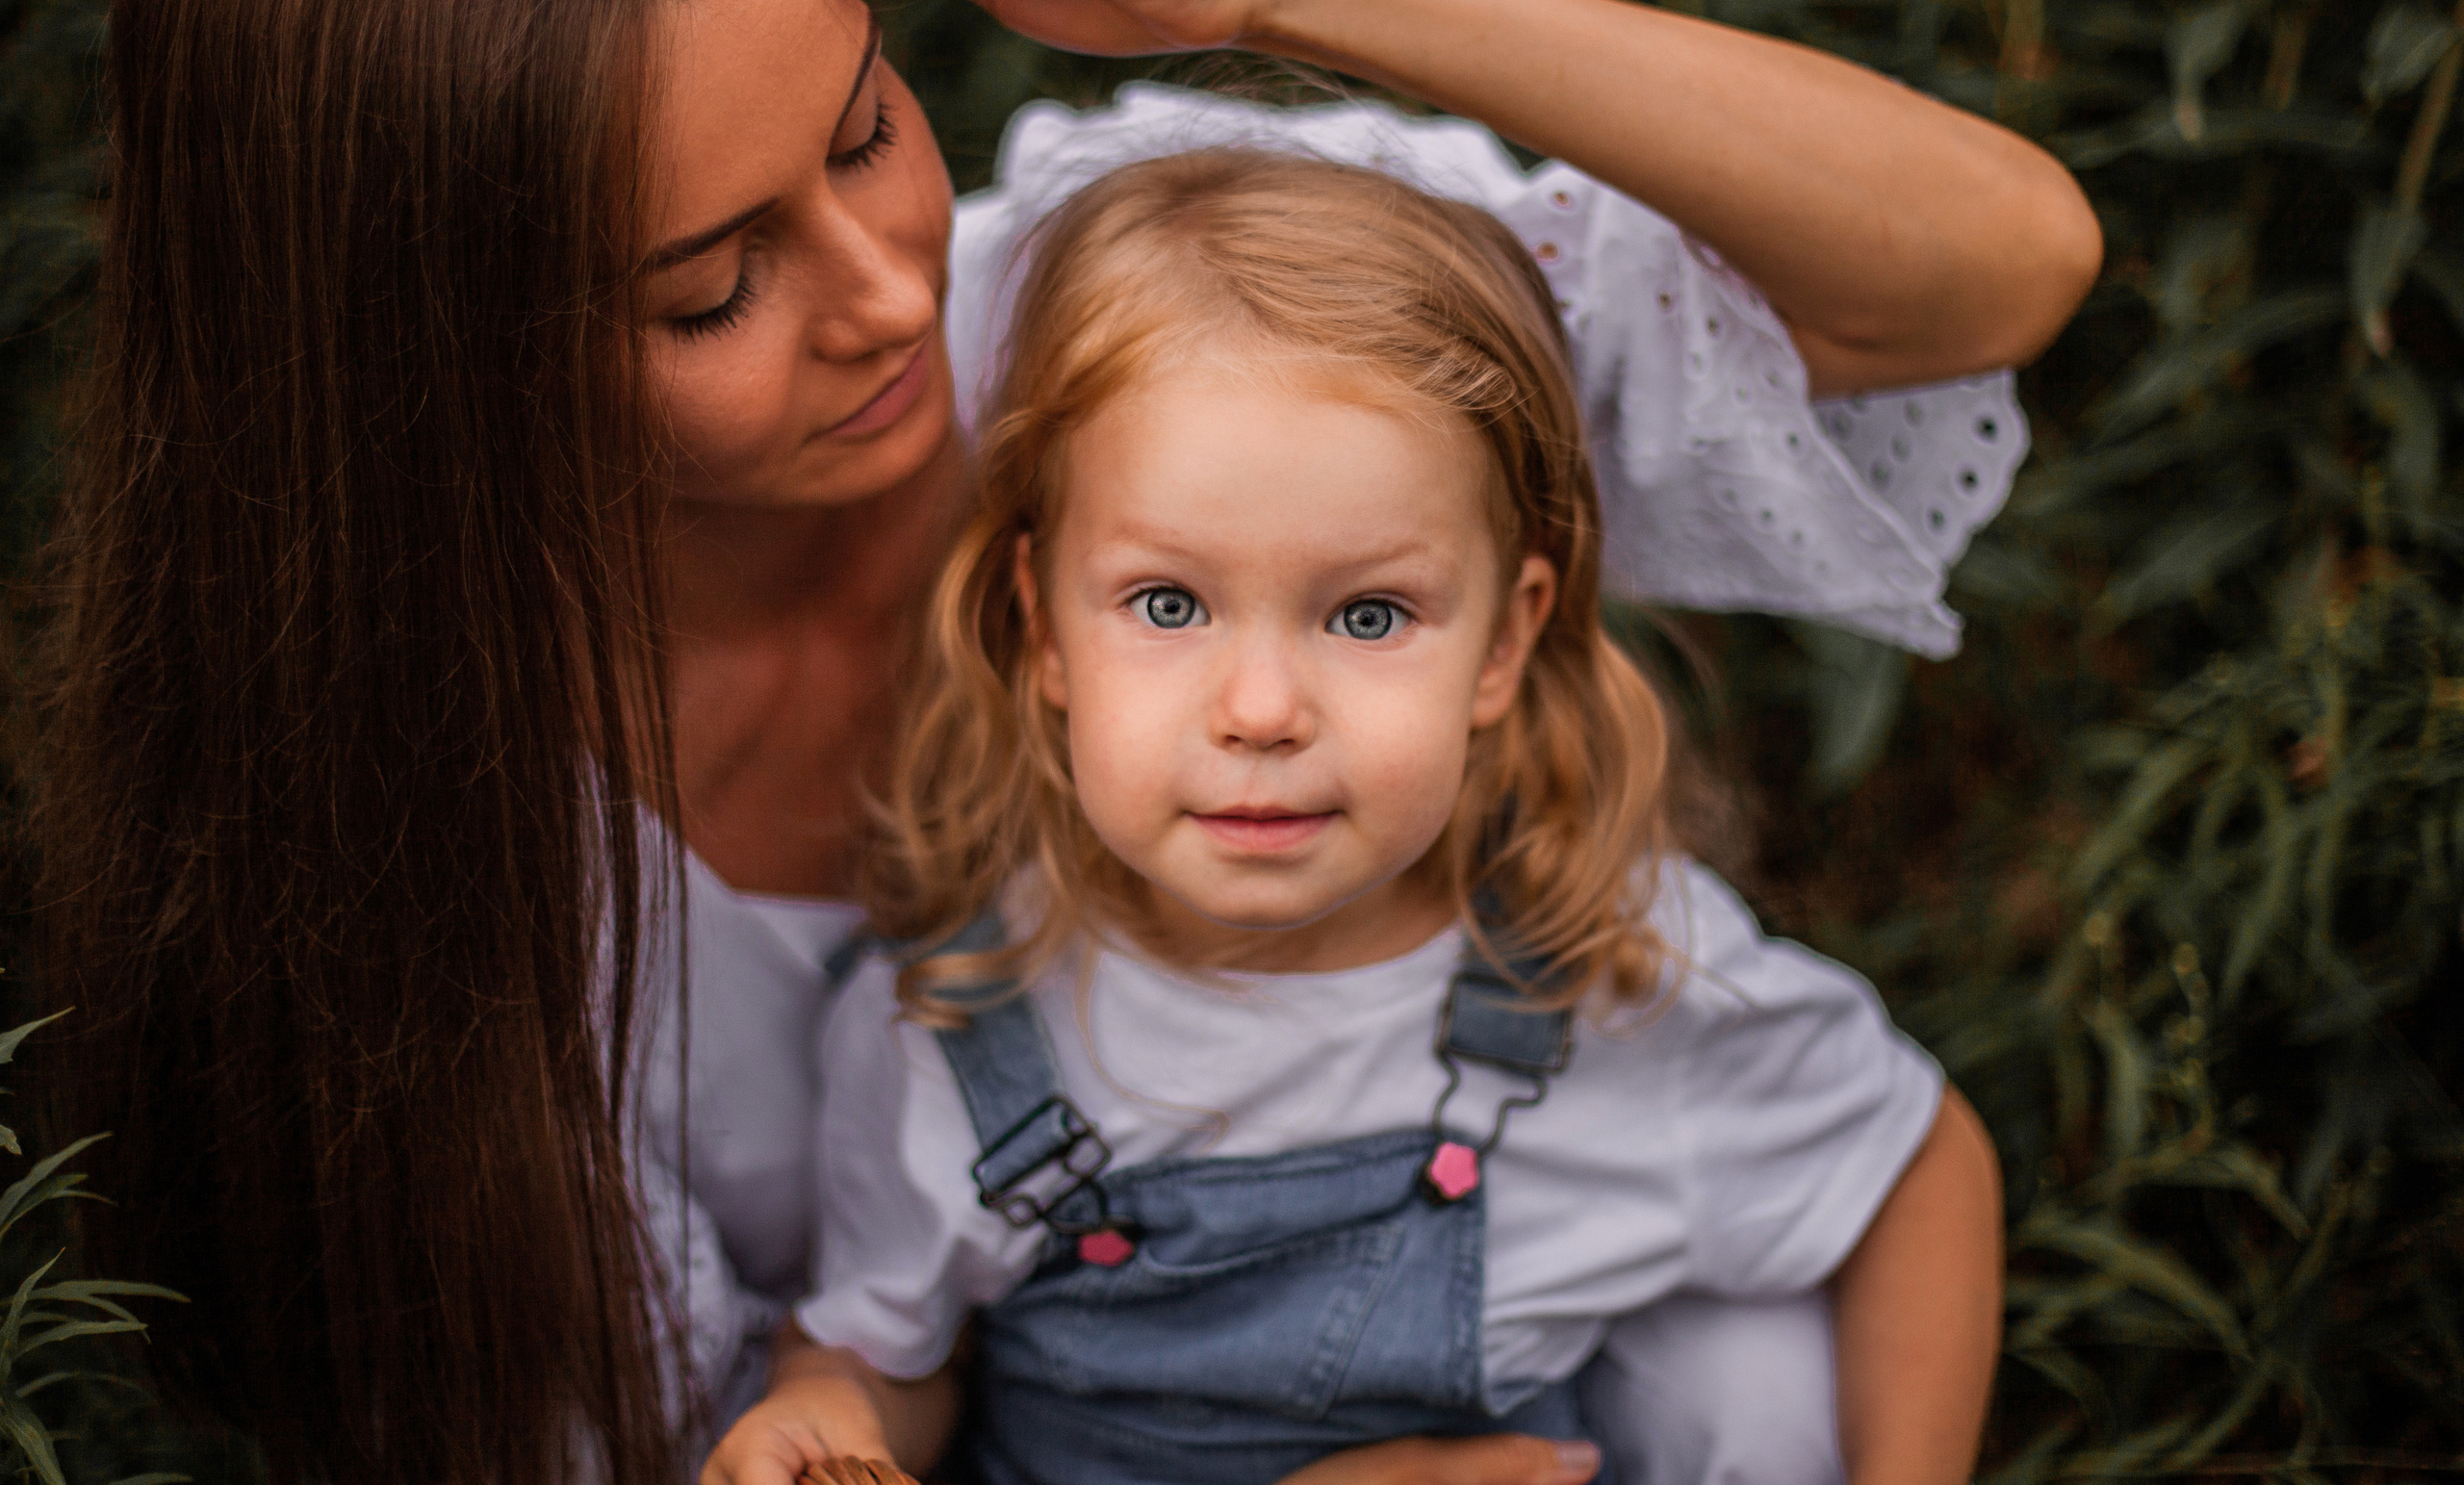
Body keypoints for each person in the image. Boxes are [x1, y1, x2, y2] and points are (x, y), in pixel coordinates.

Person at [34, 0, 2092, 1481]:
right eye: (709, 285)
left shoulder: (1136, 315)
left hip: (1535, 1355)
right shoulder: (405, 868)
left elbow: (1986, 269)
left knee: (1754, 1366)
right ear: (421, 362)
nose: (880, 297)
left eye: (860, 133)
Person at [698, 150, 2004, 1485]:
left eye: (1368, 614)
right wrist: (833, 1418)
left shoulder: (1604, 978)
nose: (1261, 708)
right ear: (1043, 631)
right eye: (1166, 604)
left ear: (1504, 644)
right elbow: (883, 1347)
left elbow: (1914, 1167)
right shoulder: (959, 1021)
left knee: (1766, 1378)